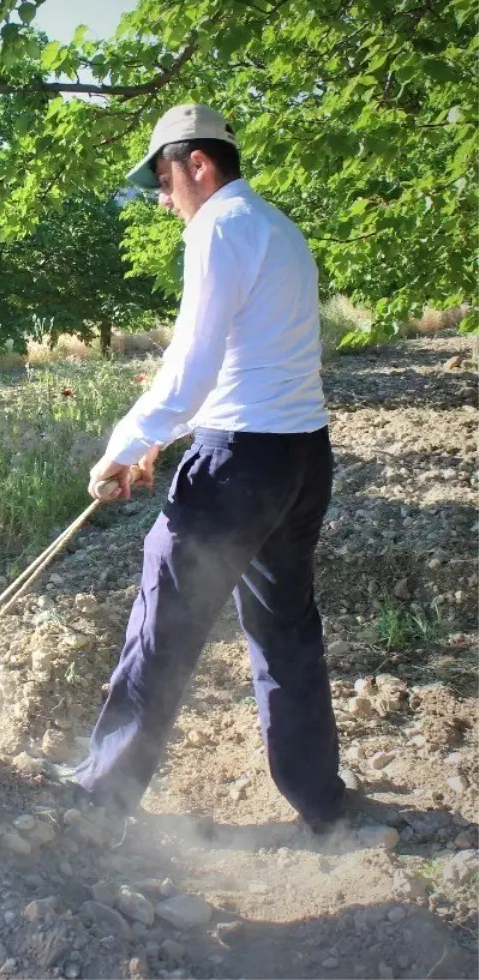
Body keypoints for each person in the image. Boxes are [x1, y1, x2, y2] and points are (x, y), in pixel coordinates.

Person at [77, 104, 346, 832]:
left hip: (238, 467)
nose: (163, 199)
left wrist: (128, 443)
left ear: (199, 164)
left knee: (164, 617)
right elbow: (246, 359)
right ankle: (322, 801)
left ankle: (99, 802)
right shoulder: (280, 229)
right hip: (299, 456)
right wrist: (165, 438)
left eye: (163, 178)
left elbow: (191, 360)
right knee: (285, 629)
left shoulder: (217, 226)